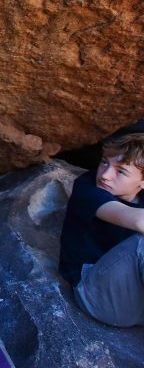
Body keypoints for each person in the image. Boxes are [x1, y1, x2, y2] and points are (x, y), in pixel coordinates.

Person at [58, 132, 144, 327]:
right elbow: (139, 222)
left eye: (121, 171)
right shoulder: (87, 189)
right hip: (96, 293)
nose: (105, 175)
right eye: (105, 162)